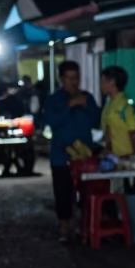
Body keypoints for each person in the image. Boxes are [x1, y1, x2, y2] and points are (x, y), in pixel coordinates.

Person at [44, 61, 100, 243]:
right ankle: (65, 228)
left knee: (87, 191)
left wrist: (86, 107)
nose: (73, 82)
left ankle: (86, 226)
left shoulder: (87, 98)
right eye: (69, 78)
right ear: (61, 79)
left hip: (84, 156)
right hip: (61, 155)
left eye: (76, 78)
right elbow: (51, 122)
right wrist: (69, 105)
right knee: (63, 193)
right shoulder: (54, 100)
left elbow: (96, 121)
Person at [100, 66, 135, 158]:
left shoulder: (125, 107)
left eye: (103, 81)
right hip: (113, 157)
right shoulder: (108, 106)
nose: (101, 85)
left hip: (126, 158)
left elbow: (133, 133)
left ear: (112, 82)